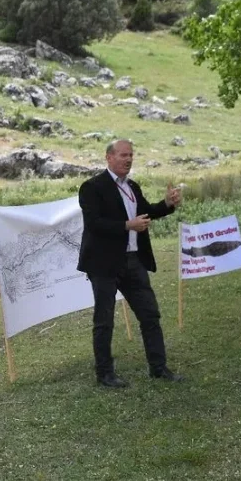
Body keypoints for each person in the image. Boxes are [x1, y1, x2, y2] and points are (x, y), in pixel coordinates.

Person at [77, 140, 183, 388]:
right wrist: (127, 226)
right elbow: (94, 223)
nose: (128, 159)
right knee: (104, 320)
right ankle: (105, 374)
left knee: (150, 314)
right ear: (109, 157)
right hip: (103, 264)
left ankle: (158, 368)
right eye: (123, 155)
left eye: (131, 155)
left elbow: (145, 212)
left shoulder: (132, 186)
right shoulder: (92, 187)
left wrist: (167, 204)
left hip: (133, 261)